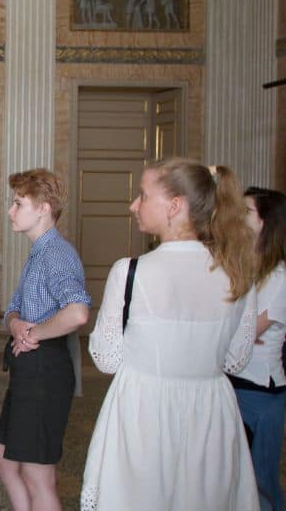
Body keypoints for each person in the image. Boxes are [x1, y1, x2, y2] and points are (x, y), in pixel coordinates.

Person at [82, 159, 259, 510]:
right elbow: (236, 359)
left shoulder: (130, 272)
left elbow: (107, 359)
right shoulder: (237, 273)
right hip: (212, 413)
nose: (134, 205)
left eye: (143, 196)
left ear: (175, 206)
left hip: (143, 413)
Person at [0, 168, 91, 511]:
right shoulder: (38, 252)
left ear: (44, 208)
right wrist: (17, 324)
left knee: (39, 476)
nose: (10, 211)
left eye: (18, 203)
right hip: (29, 369)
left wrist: (33, 332)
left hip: (45, 371)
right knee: (3, 460)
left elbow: (78, 312)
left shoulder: (57, 254)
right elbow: (13, 309)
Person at [229, 186, 286, 511]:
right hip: (235, 379)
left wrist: (241, 329)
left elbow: (248, 333)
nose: (239, 216)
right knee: (235, 477)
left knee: (261, 480)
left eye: (247, 212)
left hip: (261, 390)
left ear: (266, 222)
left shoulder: (278, 278)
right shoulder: (246, 270)